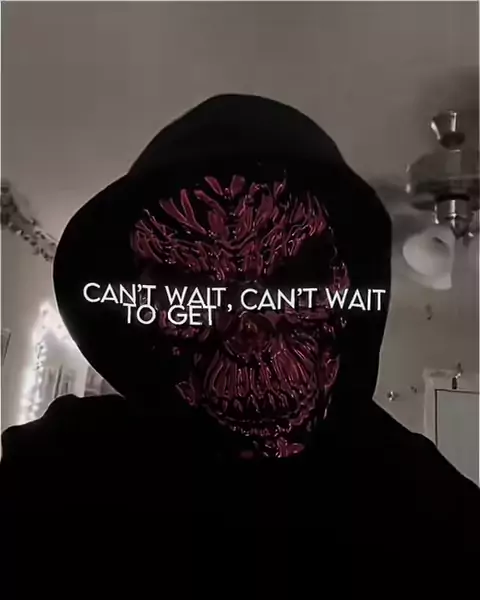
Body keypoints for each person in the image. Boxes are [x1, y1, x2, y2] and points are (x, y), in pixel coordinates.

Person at [1, 95, 478, 597]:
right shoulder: (58, 472)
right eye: (195, 295)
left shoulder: (430, 511)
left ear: (344, 287)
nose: (249, 331)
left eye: (292, 281)